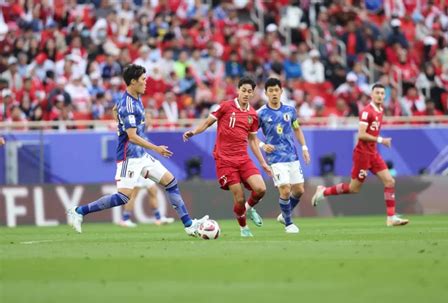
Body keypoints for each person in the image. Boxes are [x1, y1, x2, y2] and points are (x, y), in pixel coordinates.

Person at [66, 64, 207, 236]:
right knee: (123, 197)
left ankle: (189, 225)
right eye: (143, 79)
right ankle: (79, 211)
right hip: (129, 157)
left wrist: (118, 121)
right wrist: (156, 148)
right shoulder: (128, 105)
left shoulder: (134, 98)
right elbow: (131, 136)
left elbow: (115, 110)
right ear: (133, 82)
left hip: (141, 155)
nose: (146, 82)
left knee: (170, 182)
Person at [183, 76, 272, 237]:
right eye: (243, 90)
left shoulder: (252, 115)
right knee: (239, 198)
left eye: (249, 91)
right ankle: (243, 228)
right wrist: (194, 131)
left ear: (253, 94)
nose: (246, 94)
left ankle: (249, 209)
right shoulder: (225, 106)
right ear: (238, 90)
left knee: (260, 189)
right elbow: (208, 122)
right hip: (225, 160)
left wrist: (263, 163)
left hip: (243, 158)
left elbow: (252, 140)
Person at [311, 84, 409, 227]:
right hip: (362, 155)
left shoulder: (380, 110)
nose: (380, 96)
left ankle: (391, 217)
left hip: (373, 153)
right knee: (353, 188)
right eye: (377, 93)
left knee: (390, 181)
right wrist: (381, 140)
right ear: (371, 94)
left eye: (382, 93)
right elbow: (362, 134)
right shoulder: (366, 112)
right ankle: (324, 191)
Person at [257, 78, 310, 233]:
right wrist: (262, 145)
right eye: (270, 90)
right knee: (285, 190)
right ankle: (289, 223)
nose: (274, 93)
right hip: (275, 158)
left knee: (299, 190)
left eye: (276, 90)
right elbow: (250, 135)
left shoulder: (290, 110)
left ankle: (283, 215)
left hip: (292, 156)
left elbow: (297, 129)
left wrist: (304, 148)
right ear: (266, 93)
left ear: (281, 91)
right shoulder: (261, 113)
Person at [118, 110, 175, 227]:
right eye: (147, 118)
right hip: (136, 164)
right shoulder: (136, 129)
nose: (150, 120)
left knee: (152, 191)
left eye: (150, 118)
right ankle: (125, 218)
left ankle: (158, 218)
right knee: (134, 194)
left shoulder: (144, 130)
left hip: (143, 163)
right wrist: (156, 148)